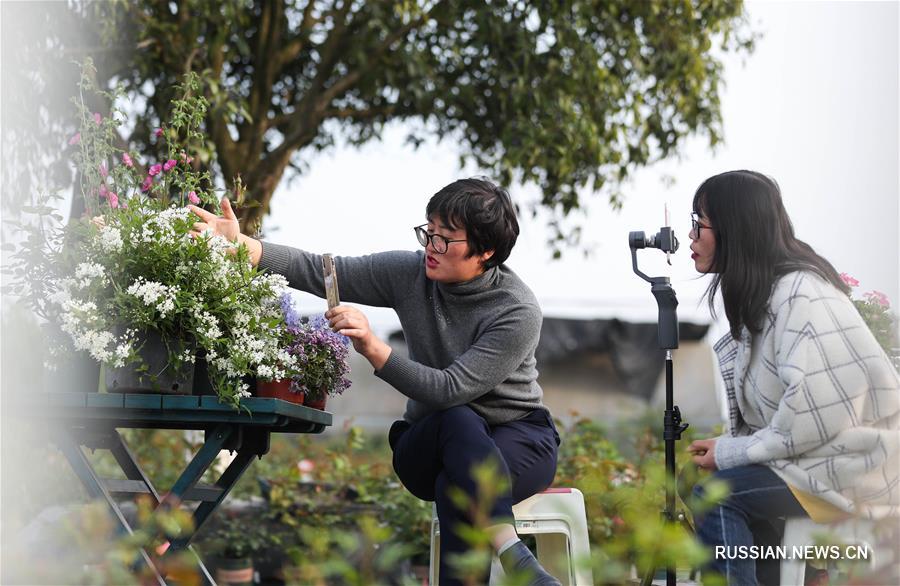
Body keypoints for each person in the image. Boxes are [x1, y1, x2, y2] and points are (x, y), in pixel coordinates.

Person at [190, 178, 562, 586]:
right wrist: (245, 245)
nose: (430, 248)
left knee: (458, 480)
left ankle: (508, 556)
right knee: (457, 423)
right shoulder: (411, 273)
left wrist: (372, 346)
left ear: (486, 251)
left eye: (444, 239)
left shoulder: (516, 309)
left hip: (518, 437)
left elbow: (449, 388)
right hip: (426, 441)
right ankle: (515, 556)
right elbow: (324, 271)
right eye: (428, 232)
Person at [685, 170, 899, 585]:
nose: (690, 236)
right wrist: (727, 450)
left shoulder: (801, 294)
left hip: (858, 466)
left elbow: (813, 416)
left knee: (715, 498)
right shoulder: (765, 296)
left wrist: (729, 452)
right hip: (818, 461)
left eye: (699, 223)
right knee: (695, 476)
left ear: (733, 228)